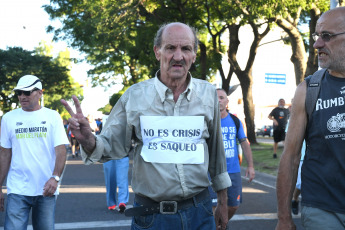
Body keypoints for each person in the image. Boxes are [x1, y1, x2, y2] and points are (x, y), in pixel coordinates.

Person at [61, 22, 231, 230]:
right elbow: (111, 145)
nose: (178, 57)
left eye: (186, 49)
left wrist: (223, 201)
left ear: (194, 55)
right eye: (170, 48)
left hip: (200, 213)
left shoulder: (208, 95)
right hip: (152, 218)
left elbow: (216, 154)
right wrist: (87, 139)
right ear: (157, 52)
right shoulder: (135, 97)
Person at [276, 7, 345, 230]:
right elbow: (291, 156)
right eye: (317, 36)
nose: (317, 45)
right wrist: (284, 218)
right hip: (322, 209)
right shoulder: (308, 89)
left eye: (327, 36)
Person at [0, 75, 69, 229]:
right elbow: (4, 154)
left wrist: (55, 178)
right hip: (17, 189)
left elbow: (61, 150)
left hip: (46, 188)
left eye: (27, 92)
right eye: (19, 92)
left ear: (40, 93)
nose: (22, 96)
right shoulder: (8, 118)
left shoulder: (52, 116)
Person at [209, 88, 255, 226]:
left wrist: (251, 166)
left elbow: (244, 143)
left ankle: (222, 223)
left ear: (227, 101)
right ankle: (218, 226)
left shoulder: (235, 121)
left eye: (222, 97)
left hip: (233, 171)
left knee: (234, 205)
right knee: (213, 207)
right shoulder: (208, 120)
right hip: (212, 172)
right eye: (216, 97)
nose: (218, 100)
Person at [102, 115, 129, 211]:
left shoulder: (127, 122)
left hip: (122, 155)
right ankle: (111, 203)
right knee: (110, 179)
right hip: (108, 155)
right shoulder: (105, 121)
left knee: (122, 179)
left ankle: (122, 201)